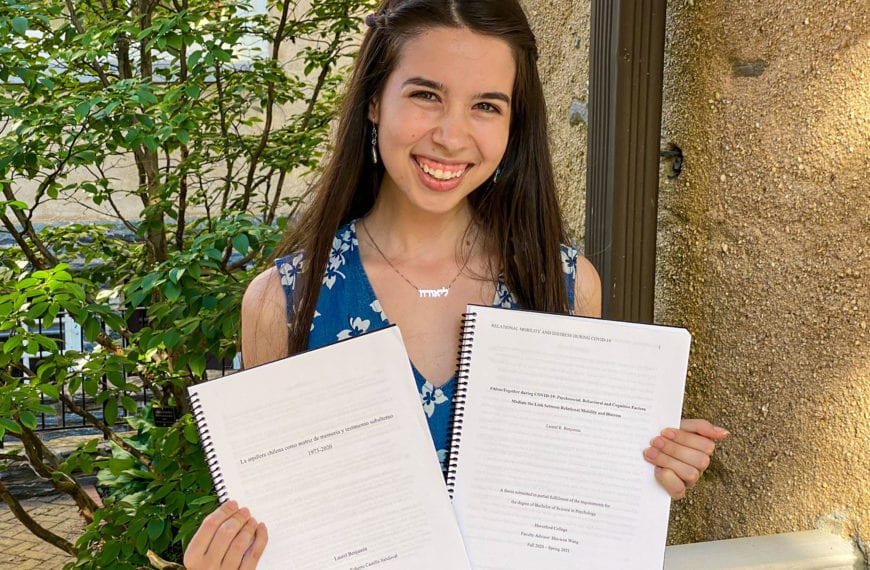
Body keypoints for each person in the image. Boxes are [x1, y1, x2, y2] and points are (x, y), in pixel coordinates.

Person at [183, 0, 729, 567]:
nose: (451, 135)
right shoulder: (285, 301)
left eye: (486, 106)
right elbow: (281, 528)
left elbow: (572, 498)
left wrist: (643, 470)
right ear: (375, 100)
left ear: (514, 122)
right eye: (426, 95)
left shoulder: (564, 287)